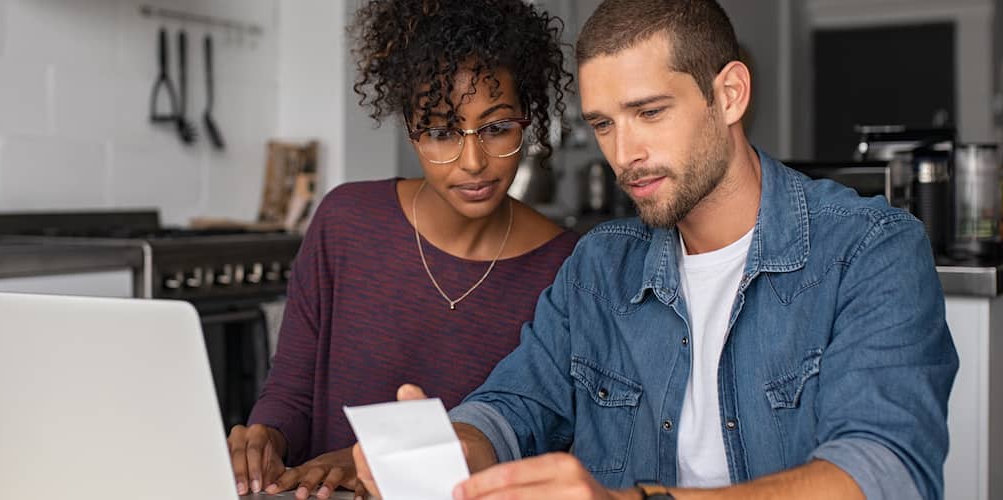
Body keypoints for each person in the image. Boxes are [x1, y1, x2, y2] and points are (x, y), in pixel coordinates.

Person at [354, 0, 959, 499]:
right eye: (604, 123)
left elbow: (885, 472)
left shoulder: (871, 249)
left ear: (729, 95)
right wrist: (456, 444)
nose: (624, 154)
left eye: (648, 112)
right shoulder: (598, 268)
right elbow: (515, 403)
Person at [227, 1, 578, 499]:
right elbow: (292, 393)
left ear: (529, 118)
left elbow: (541, 440)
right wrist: (267, 437)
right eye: (440, 132)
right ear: (409, 128)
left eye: (497, 127)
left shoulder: (567, 269)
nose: (473, 161)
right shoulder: (345, 222)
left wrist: (370, 465)